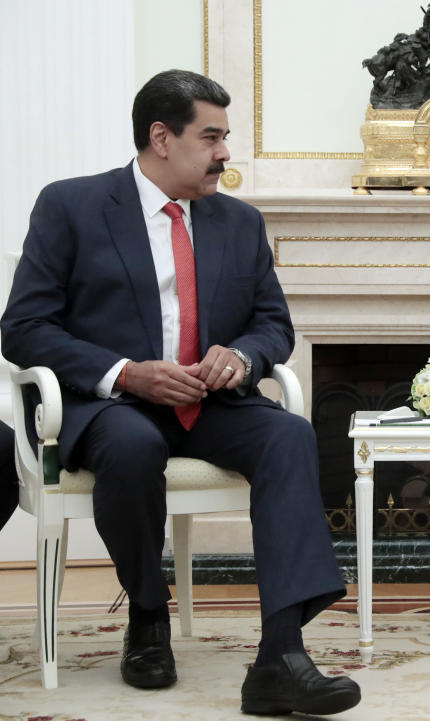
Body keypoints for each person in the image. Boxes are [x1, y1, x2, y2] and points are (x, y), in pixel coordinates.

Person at [0, 70, 360, 716]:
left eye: (226, 137)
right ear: (161, 138)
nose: (226, 153)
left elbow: (273, 324)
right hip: (112, 406)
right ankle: (146, 615)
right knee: (134, 445)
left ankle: (281, 653)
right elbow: (23, 328)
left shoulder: (240, 223)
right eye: (212, 136)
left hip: (211, 404)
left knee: (290, 433)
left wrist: (244, 356)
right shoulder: (71, 207)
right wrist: (125, 373)